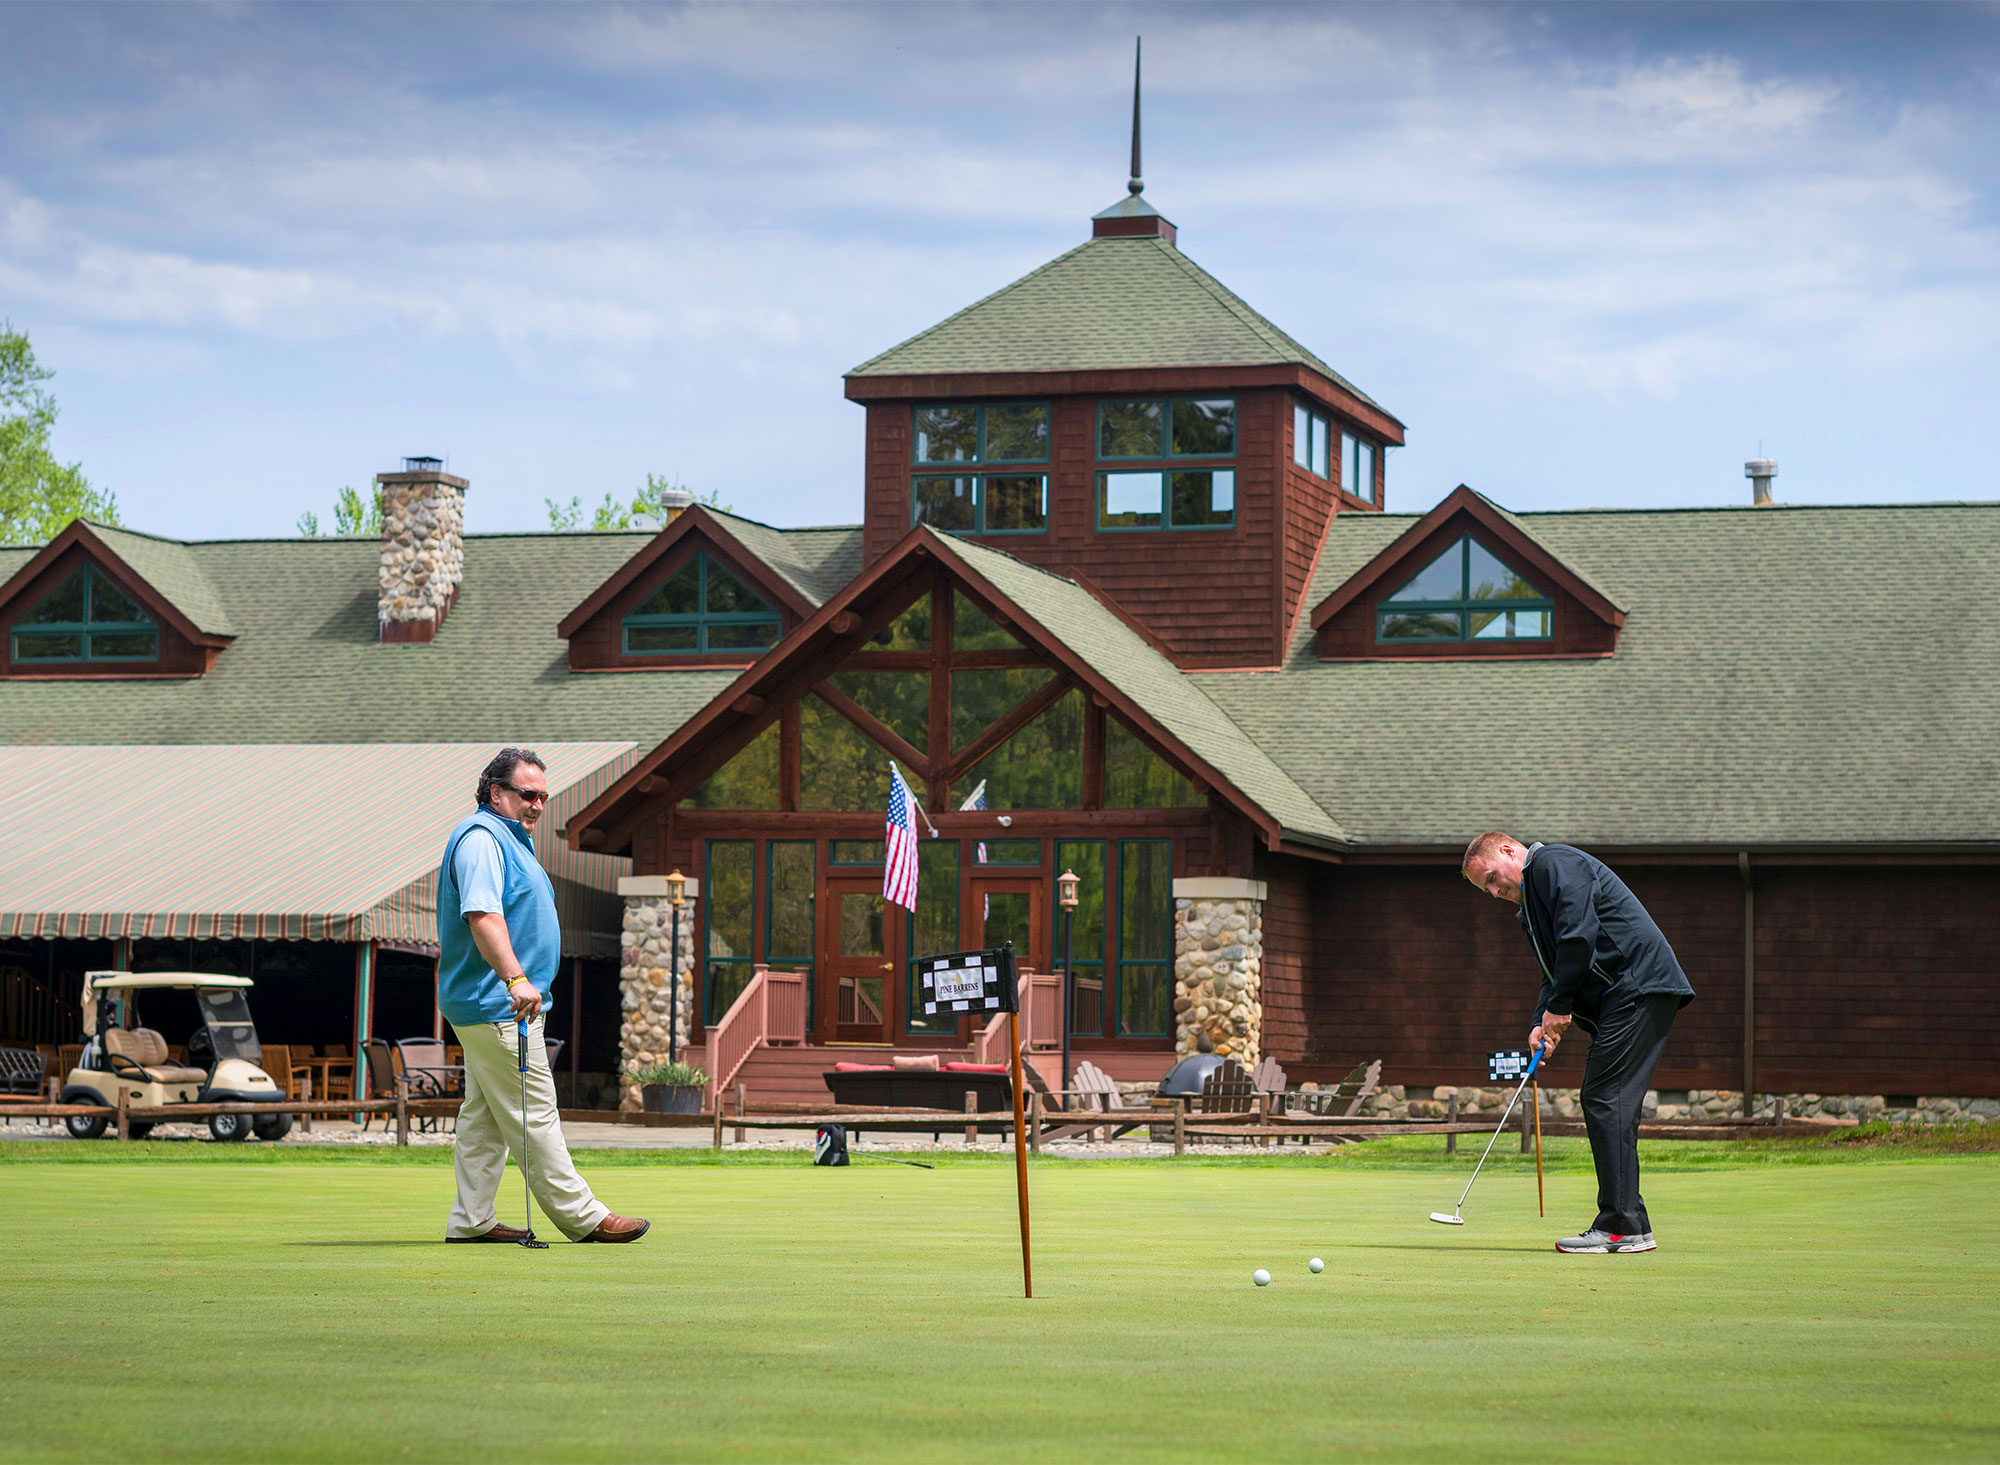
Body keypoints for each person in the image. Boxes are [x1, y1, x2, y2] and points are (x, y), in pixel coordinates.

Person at [436, 747, 648, 1244]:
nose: (536, 805)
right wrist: (514, 978)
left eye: (543, 797)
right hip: (500, 1003)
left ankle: (471, 1220)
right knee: (535, 1110)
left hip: (502, 1002)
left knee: (483, 1119)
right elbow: (483, 916)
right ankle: (583, 1216)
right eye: (527, 794)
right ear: (496, 793)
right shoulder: (480, 840)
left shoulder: (509, 840)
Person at [1461, 833, 1694, 1254]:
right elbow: (1553, 971)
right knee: (1608, 1099)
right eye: (1486, 889)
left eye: (1493, 878)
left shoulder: (1552, 864)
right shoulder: (1530, 907)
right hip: (1630, 996)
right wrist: (1541, 1023)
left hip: (1638, 988)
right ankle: (1632, 1225)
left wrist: (1560, 1007)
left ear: (1511, 852)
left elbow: (1579, 936)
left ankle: (1619, 1225)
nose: (1495, 892)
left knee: (1605, 1097)